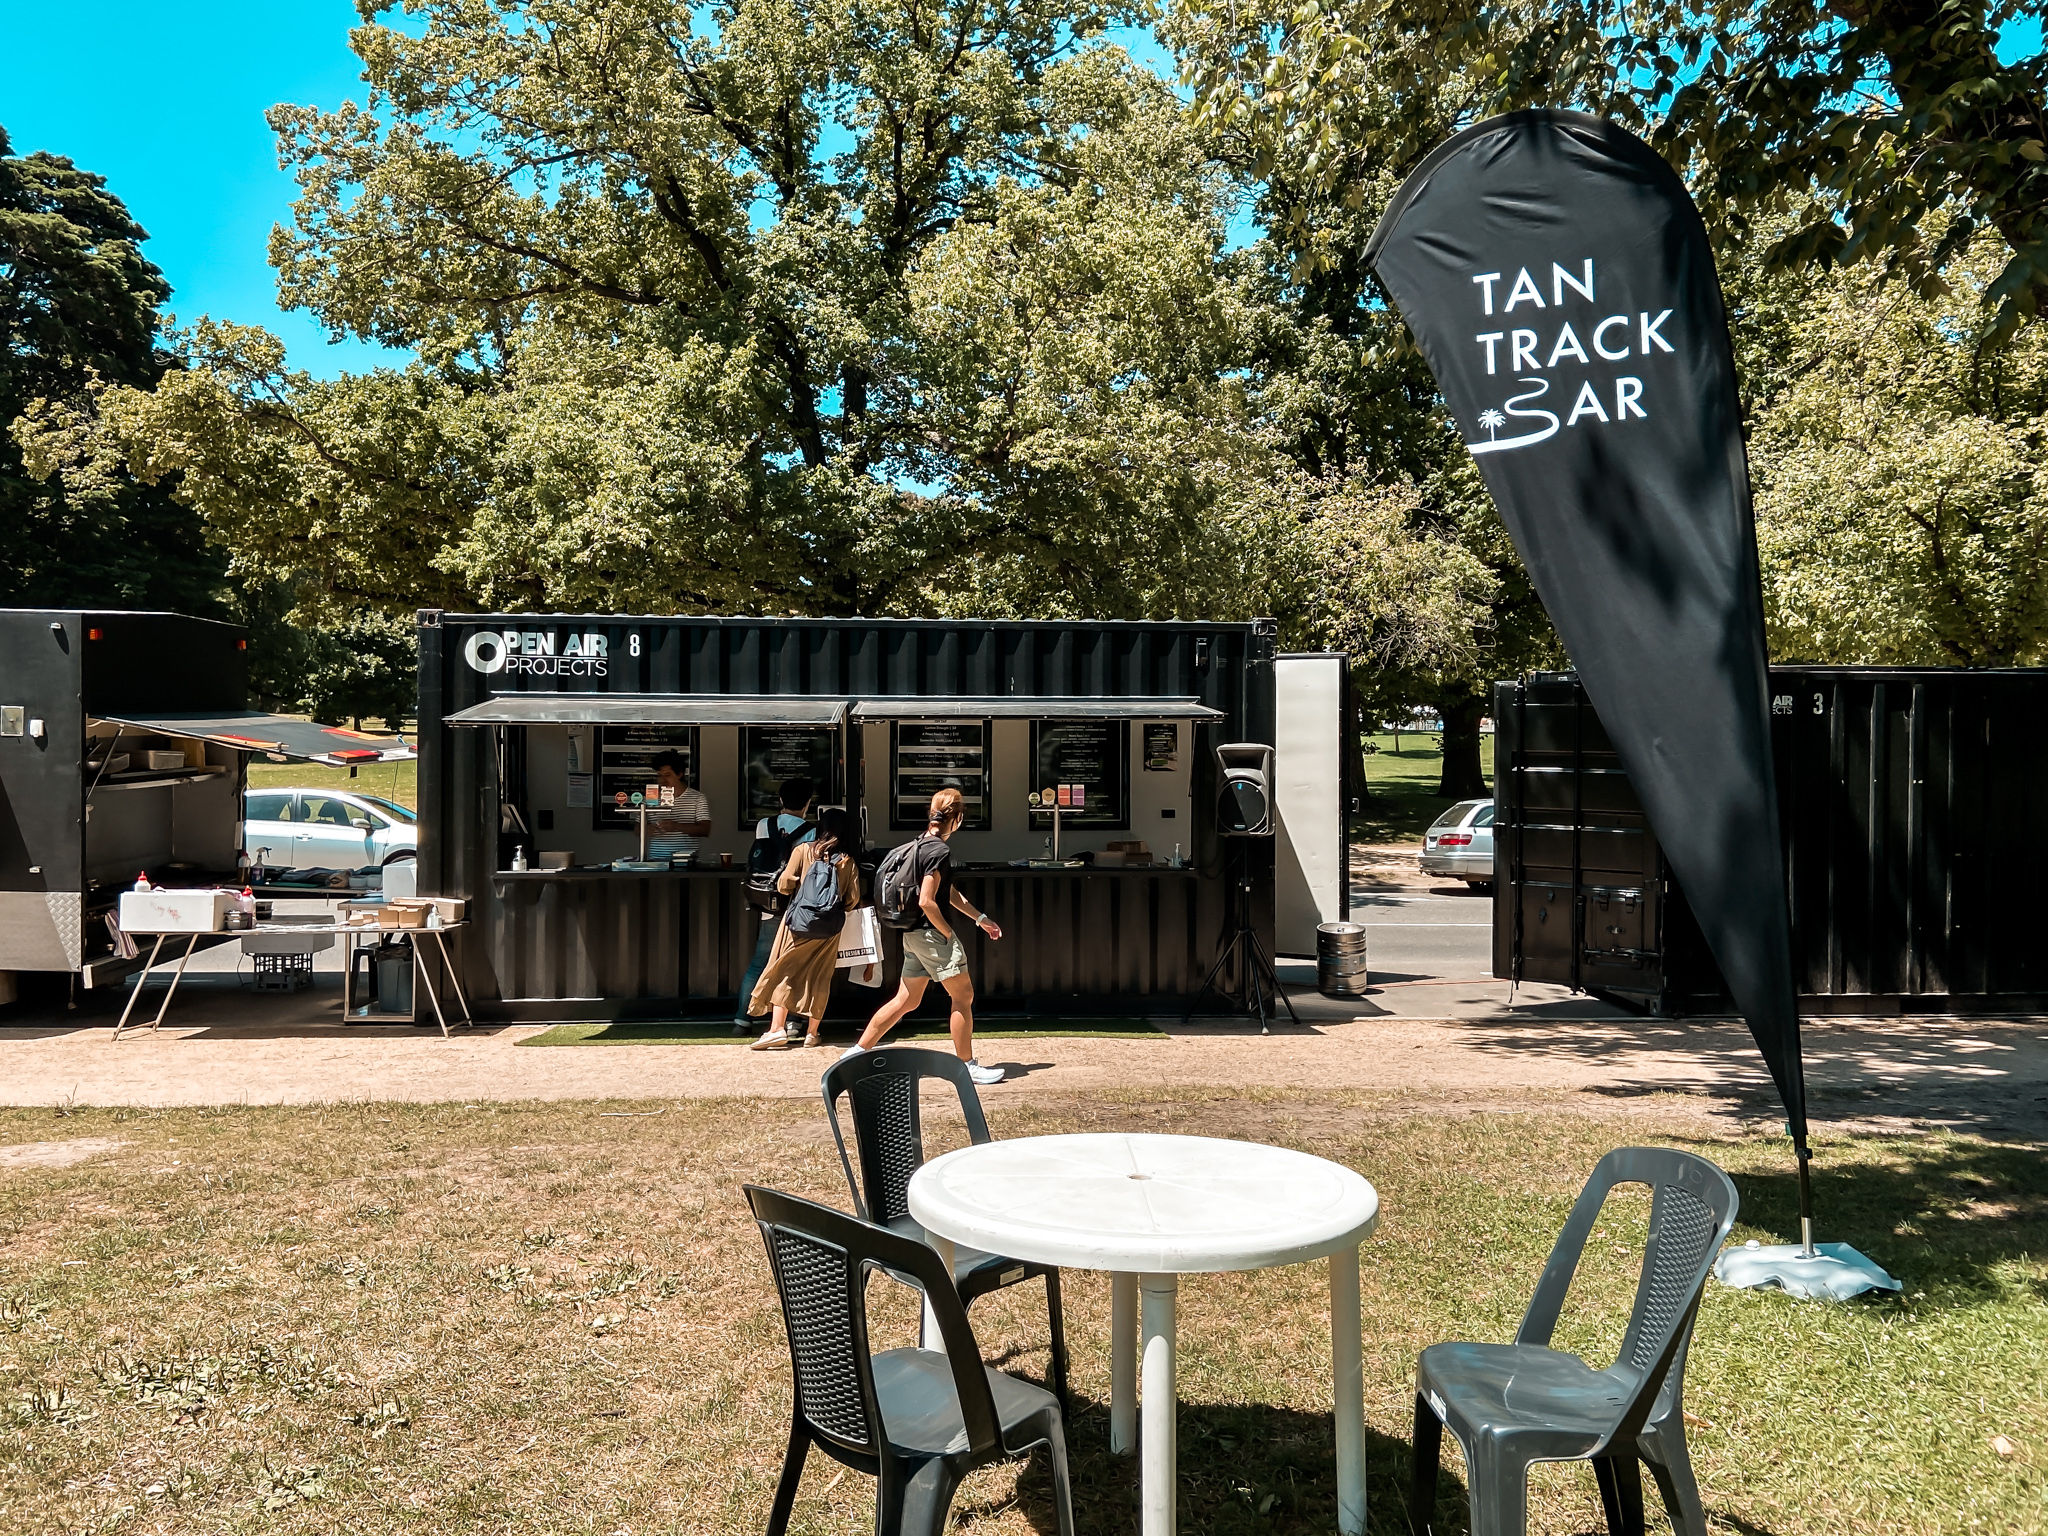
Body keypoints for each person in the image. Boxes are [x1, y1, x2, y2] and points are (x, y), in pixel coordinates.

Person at [845, 786, 1004, 1085]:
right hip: (932, 935)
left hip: (913, 936)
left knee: (906, 1000)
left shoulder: (918, 845)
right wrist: (946, 931)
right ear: (956, 819)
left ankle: (856, 1051)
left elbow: (947, 892)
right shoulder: (939, 851)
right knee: (963, 996)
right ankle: (966, 1066)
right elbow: (927, 900)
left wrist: (980, 918)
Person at [748, 806, 861, 1050]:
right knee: (819, 976)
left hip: (797, 923)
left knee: (784, 970)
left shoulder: (803, 851)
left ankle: (777, 1029)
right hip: (829, 928)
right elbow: (852, 899)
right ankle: (812, 1033)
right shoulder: (848, 861)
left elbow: (785, 884)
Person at [733, 777, 816, 1036]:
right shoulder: (810, 831)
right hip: (796, 905)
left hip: (767, 901)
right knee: (794, 963)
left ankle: (742, 1019)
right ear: (808, 803)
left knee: (760, 960)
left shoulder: (762, 825)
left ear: (780, 800)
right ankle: (792, 1021)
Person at [646, 752, 711, 865]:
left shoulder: (697, 798)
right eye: (659, 775)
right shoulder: (652, 796)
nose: (662, 780)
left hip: (687, 862)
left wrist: (676, 826)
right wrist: (646, 828)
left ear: (679, 774)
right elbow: (637, 827)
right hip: (656, 862)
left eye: (667, 775)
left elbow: (705, 829)